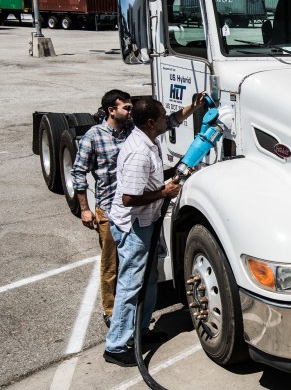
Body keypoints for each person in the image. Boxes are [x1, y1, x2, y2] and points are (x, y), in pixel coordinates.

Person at [72, 90, 202, 330]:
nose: (131, 112)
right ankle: (112, 313)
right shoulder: (94, 136)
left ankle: (136, 321)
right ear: (111, 110)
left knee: (135, 270)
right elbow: (78, 173)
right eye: (126, 108)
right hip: (110, 209)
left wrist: (193, 107)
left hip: (135, 210)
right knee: (112, 266)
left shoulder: (134, 131)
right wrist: (84, 209)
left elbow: (169, 121)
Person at [103, 97, 200, 367]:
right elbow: (128, 199)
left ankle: (141, 331)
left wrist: (192, 108)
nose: (164, 121)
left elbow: (171, 122)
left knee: (147, 279)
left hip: (147, 220)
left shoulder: (147, 136)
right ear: (149, 122)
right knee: (130, 285)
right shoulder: (138, 152)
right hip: (133, 225)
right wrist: (164, 192)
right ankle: (116, 346)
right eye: (160, 118)